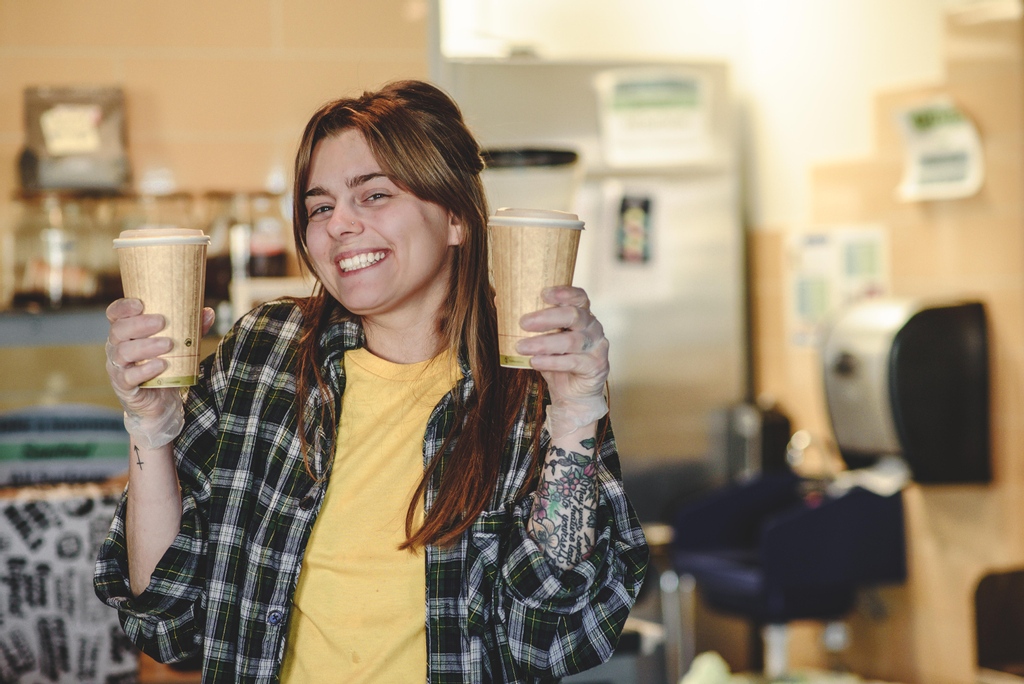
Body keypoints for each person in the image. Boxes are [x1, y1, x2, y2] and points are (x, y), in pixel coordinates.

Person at [95, 79, 648, 683]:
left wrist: (574, 416)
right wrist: (150, 426)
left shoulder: (530, 385)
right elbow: (167, 618)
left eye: (374, 195)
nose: (339, 224)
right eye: (320, 207)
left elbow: (552, 639)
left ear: (456, 217)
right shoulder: (263, 354)